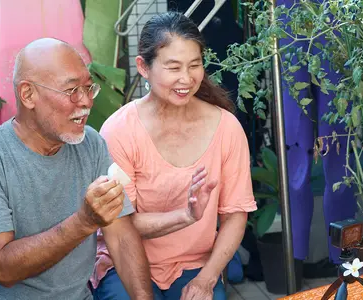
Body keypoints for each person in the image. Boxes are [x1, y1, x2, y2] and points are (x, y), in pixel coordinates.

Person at [0, 38, 153, 300]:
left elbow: (122, 238)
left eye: (88, 88)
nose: (86, 102)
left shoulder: (91, 144)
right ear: (28, 95)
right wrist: (84, 222)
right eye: (71, 91)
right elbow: (2, 268)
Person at [92, 12, 257, 300]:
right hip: (125, 263)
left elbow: (234, 215)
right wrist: (186, 216)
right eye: (173, 67)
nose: (186, 78)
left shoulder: (226, 127)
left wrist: (206, 280)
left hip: (195, 265)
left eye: (195, 65)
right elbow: (122, 224)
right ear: (143, 67)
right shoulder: (118, 130)